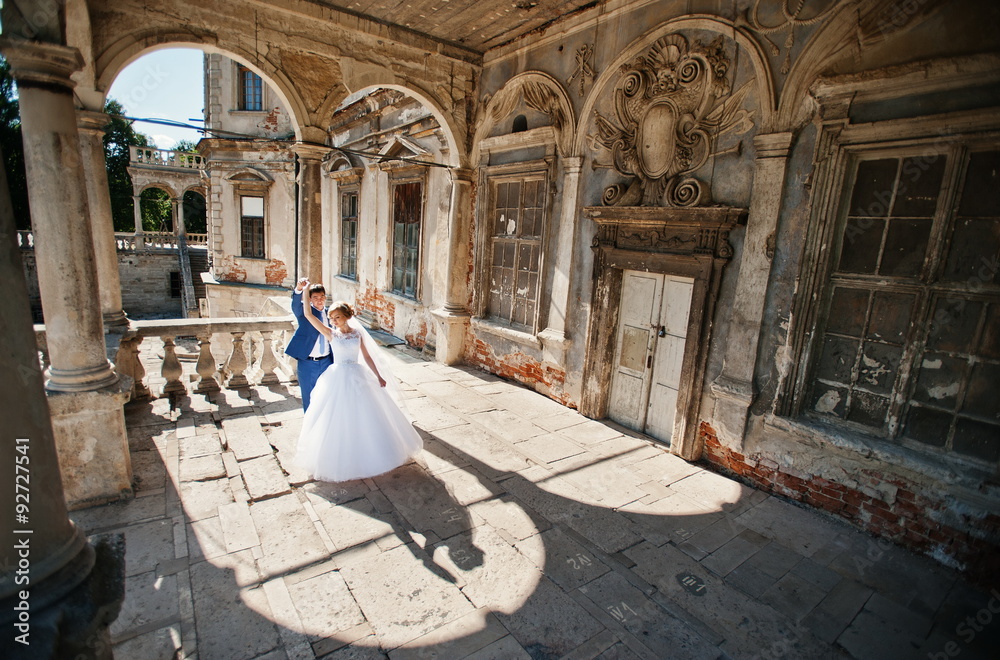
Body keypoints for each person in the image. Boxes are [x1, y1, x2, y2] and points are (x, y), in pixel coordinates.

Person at [293, 286, 423, 482]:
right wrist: (304, 291)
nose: (333, 321)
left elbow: (368, 357)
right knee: (337, 415)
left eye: (336, 317)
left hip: (358, 375)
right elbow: (308, 314)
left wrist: (378, 376)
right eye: (331, 318)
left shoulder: (357, 334)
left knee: (366, 413)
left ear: (346, 316)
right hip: (337, 377)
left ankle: (370, 450)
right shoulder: (331, 333)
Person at [285, 278, 333, 411]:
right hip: (308, 363)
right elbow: (295, 305)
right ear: (310, 299)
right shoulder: (305, 313)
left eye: (322, 297)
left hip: (328, 361)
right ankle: (310, 427)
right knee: (309, 396)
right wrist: (299, 289)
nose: (319, 300)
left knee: (327, 395)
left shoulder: (331, 314)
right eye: (315, 297)